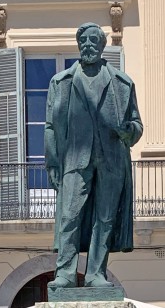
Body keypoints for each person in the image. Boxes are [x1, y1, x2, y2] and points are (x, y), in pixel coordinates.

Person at [45, 22, 143, 288]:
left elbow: (136, 123)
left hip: (111, 160)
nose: (88, 45)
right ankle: (65, 272)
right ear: (78, 45)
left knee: (106, 218)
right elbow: (51, 127)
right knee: (70, 216)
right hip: (75, 159)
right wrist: (52, 162)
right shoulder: (61, 82)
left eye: (93, 41)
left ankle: (95, 273)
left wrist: (129, 131)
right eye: (83, 41)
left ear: (102, 45)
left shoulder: (122, 84)